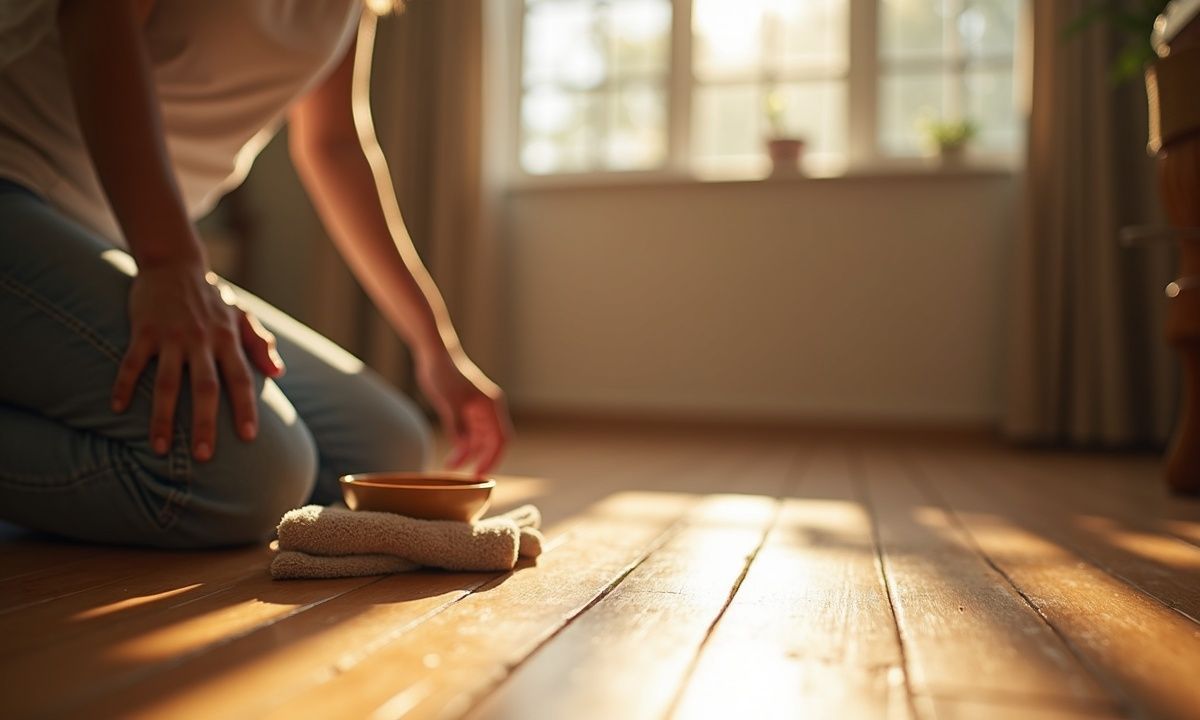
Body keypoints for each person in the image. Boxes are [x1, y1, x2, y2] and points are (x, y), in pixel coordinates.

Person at [0, 0, 512, 548]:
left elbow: (333, 144)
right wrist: (171, 262)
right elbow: (96, 21)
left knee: (381, 447)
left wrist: (436, 347)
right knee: (248, 477)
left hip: (114, 241)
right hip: (18, 189)